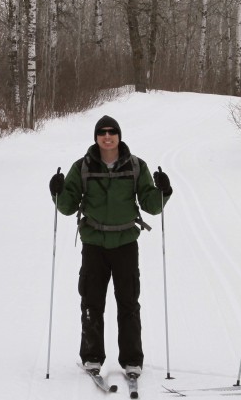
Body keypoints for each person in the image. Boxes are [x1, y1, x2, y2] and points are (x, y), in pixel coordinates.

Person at [48, 115, 172, 382]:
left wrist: (164, 190)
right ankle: (92, 357)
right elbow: (68, 207)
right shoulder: (82, 167)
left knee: (128, 303)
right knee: (92, 302)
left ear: (119, 136)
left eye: (112, 132)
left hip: (126, 242)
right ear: (96, 137)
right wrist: (56, 191)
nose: (107, 137)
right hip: (94, 244)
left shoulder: (136, 166)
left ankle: (131, 361)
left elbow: (152, 205)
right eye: (102, 133)